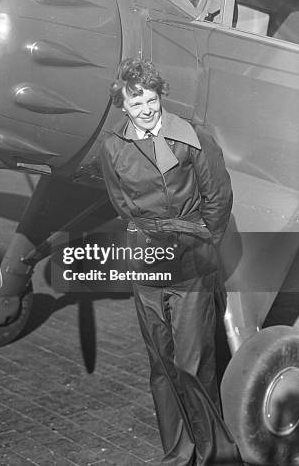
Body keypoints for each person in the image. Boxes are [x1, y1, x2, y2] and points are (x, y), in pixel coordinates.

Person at [100, 58, 242, 466]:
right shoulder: (113, 145)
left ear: (159, 94)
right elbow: (119, 200)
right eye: (134, 101)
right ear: (122, 106)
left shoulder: (192, 137)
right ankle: (178, 455)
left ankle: (217, 456)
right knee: (161, 364)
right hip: (145, 256)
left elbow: (218, 199)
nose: (144, 108)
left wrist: (200, 241)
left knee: (193, 363)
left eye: (149, 97)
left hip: (191, 255)